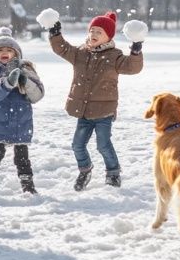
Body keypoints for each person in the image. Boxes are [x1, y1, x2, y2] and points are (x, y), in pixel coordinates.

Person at [48, 11, 143, 191]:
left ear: (108, 36)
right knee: (77, 145)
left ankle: (113, 173)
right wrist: (55, 34)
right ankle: (85, 170)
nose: (93, 35)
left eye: (99, 32)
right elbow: (62, 48)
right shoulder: (80, 53)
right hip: (83, 110)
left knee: (103, 144)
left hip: (103, 111)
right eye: (92, 31)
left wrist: (136, 50)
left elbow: (132, 67)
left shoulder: (115, 56)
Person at [0, 26, 44, 200]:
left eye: (9, 50)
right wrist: (7, 82)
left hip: (22, 123)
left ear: (17, 54)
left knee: (22, 159)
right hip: (1, 124)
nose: (5, 53)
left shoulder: (27, 70)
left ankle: (28, 187)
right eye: (0, 50)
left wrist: (25, 81)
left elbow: (37, 95)